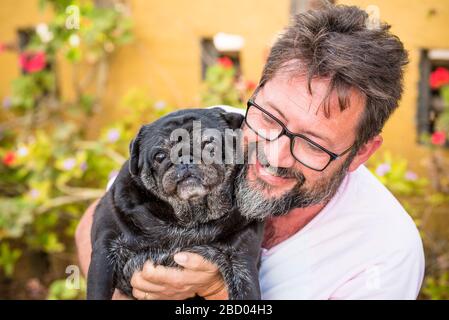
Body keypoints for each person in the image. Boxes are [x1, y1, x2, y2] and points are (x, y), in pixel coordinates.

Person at [75, 4, 425, 299]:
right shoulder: (213, 131)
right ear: (255, 91)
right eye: (270, 117)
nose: (274, 155)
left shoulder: (385, 252)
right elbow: (94, 225)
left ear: (362, 152)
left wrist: (219, 292)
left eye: (313, 143)